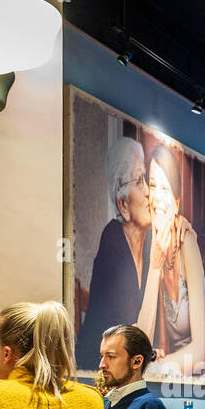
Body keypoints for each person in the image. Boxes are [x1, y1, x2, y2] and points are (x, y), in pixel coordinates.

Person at [136, 143, 205, 378]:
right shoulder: (155, 247)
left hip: (202, 369)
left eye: (164, 187)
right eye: (152, 185)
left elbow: (199, 352)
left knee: (147, 373)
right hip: (175, 370)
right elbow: (147, 339)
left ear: (177, 201)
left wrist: (157, 365)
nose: (156, 197)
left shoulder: (188, 244)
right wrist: (155, 266)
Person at [75, 137, 152, 371]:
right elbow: (127, 324)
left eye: (146, 179)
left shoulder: (148, 244)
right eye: (139, 181)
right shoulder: (113, 239)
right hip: (98, 367)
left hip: (125, 364)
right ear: (123, 204)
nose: (148, 191)